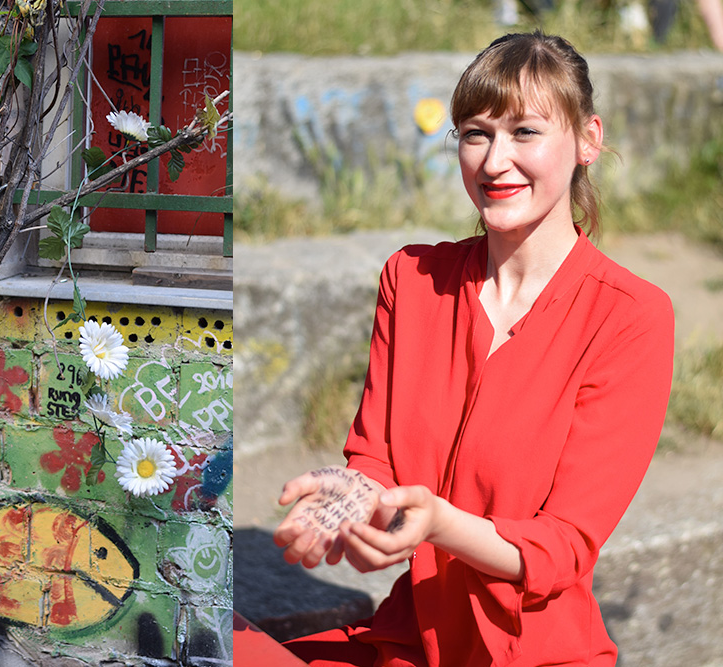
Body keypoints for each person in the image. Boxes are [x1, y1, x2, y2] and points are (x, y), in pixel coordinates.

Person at [272, 32, 675, 667]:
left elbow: (565, 547)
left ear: (587, 141)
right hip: (408, 638)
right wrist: (351, 498)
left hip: (531, 653)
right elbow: (374, 457)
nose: (493, 161)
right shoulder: (411, 278)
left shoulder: (630, 317)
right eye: (476, 132)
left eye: (525, 132)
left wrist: (436, 523)